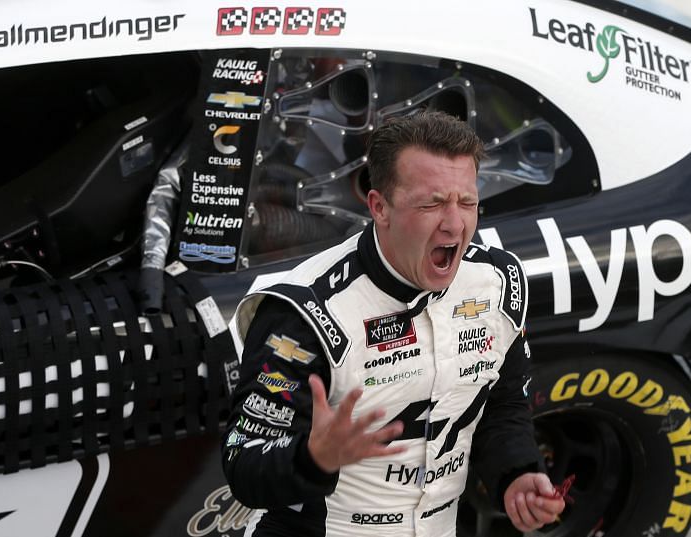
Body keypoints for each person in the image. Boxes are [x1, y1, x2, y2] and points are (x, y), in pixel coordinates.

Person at [222, 111, 565, 536]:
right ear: (379, 207)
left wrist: (516, 471)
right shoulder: (305, 312)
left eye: (468, 202)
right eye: (431, 203)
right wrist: (313, 458)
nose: (455, 223)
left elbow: (502, 403)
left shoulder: (496, 281)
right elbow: (243, 464)